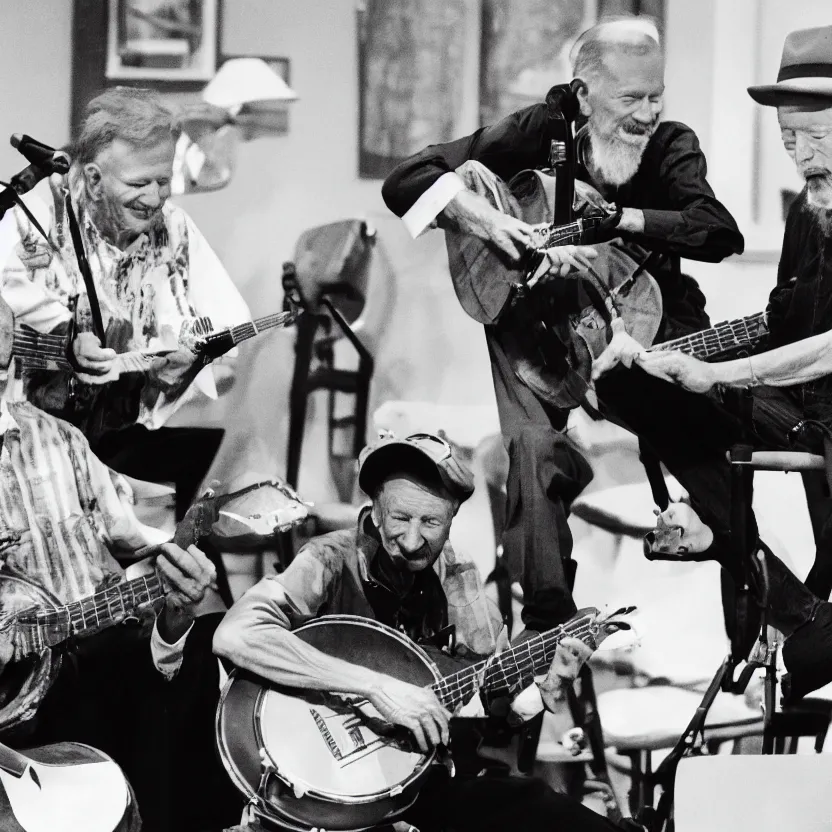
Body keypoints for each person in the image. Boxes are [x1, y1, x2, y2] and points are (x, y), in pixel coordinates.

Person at [381, 17, 744, 634]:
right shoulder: (539, 130)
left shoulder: (670, 145)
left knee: (725, 477)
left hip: (649, 329)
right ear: (581, 95)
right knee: (528, 446)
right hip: (547, 333)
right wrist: (491, 226)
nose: (649, 111)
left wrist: (621, 220)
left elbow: (717, 230)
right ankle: (549, 624)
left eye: (656, 94)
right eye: (631, 97)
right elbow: (408, 179)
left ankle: (759, 601)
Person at [214, 432, 626, 832]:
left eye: (430, 521)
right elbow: (236, 635)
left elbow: (484, 698)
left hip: (409, 782)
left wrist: (538, 694)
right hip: (313, 775)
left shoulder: (457, 575)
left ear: (452, 517)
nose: (412, 541)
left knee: (542, 810)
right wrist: (376, 688)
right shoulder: (330, 559)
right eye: (399, 518)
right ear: (375, 511)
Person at [592, 25, 832, 699]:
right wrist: (669, 359)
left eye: (815, 135)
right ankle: (797, 611)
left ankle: (797, 637)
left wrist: (719, 376)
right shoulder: (806, 218)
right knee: (623, 385)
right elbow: (776, 324)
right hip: (796, 411)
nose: (800, 155)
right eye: (789, 138)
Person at [0, 293, 239, 831]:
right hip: (11, 718)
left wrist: (176, 578)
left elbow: (136, 539)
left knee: (198, 643)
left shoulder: (59, 441)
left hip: (87, 666)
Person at [0, 86, 251, 522]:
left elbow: (228, 337)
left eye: (163, 181)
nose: (155, 198)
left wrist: (187, 365)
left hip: (112, 443)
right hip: (23, 455)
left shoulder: (173, 227)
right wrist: (64, 335)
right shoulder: (33, 216)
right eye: (138, 183)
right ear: (94, 178)